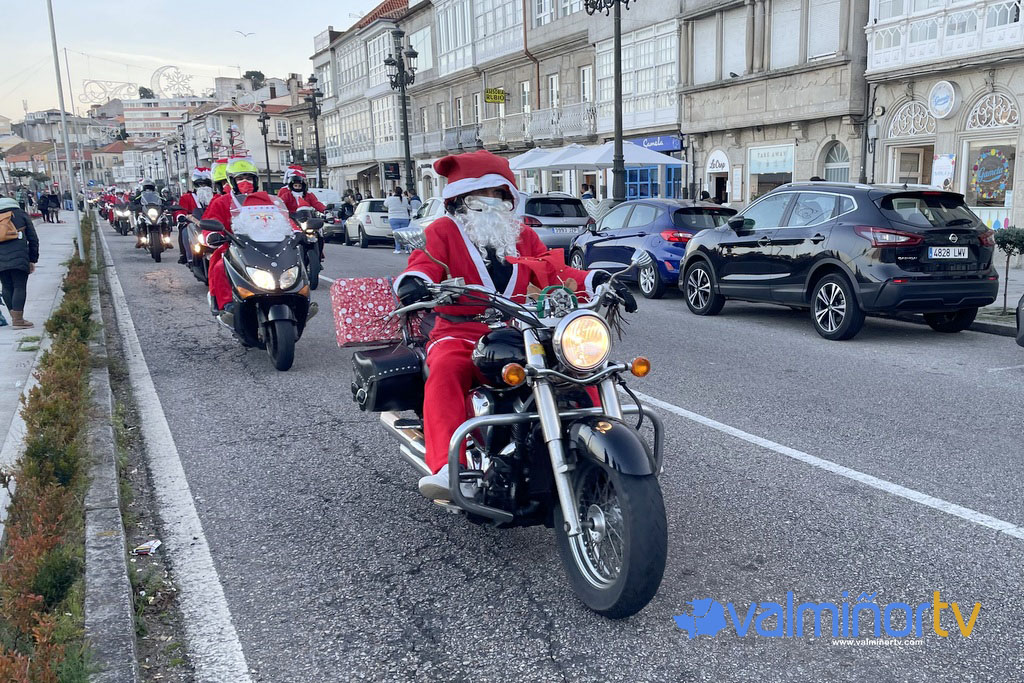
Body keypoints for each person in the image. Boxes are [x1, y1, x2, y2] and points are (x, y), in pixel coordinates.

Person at [393, 150, 635, 499]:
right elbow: (422, 264)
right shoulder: (443, 231)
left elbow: (554, 269)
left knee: (579, 369)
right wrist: (414, 282)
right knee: (445, 370)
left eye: (499, 193)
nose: (491, 201)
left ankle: (609, 449)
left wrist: (597, 280)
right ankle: (449, 466)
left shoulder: (520, 234)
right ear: (460, 199)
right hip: (460, 331)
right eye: (481, 194)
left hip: (521, 331)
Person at [202, 156, 297, 315]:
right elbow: (211, 221)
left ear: (256, 180)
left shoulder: (267, 200)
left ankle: (297, 299)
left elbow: (284, 218)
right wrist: (213, 235)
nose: (245, 182)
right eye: (240, 178)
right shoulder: (222, 202)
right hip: (235, 247)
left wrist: (297, 232)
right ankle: (227, 304)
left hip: (267, 246)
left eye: (249, 178)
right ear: (232, 181)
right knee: (219, 267)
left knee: (294, 264)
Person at [0, 197, 40, 329]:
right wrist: (32, 259)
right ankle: (18, 320)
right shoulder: (20, 214)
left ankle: (15, 317)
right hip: (20, 256)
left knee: (6, 286)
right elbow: (33, 238)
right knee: (19, 286)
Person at [175, 167, 215, 264]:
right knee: (184, 231)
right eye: (200, 184)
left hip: (212, 224)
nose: (203, 187)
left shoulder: (215, 197)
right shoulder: (186, 197)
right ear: (195, 185)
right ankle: (185, 255)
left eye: (205, 184)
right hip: (193, 224)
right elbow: (181, 209)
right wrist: (181, 216)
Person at [384, 186, 411, 253]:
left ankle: (398, 249)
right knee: (405, 234)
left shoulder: (390, 199)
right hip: (404, 218)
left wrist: (388, 196)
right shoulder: (404, 199)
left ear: (394, 192)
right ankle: (407, 249)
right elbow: (408, 207)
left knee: (396, 234)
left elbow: (385, 205)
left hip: (393, 218)